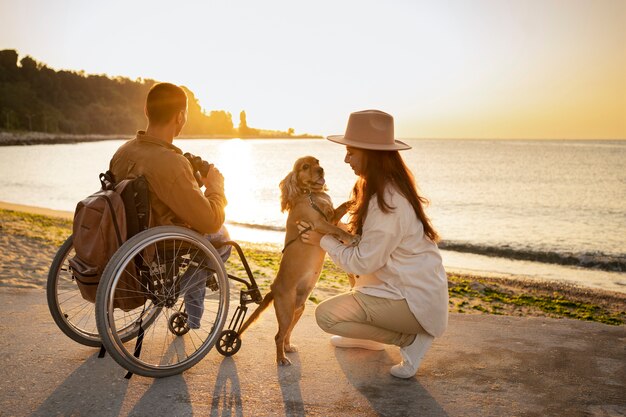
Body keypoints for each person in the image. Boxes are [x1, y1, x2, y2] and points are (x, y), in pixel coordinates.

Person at [298, 109, 448, 379]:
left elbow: (364, 261)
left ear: (371, 154)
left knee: (326, 317)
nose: (346, 159)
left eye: (351, 152)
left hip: (414, 302)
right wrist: (333, 229)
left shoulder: (388, 201)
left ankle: (411, 341)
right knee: (341, 311)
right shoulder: (378, 188)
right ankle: (371, 339)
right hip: (399, 290)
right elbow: (367, 243)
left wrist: (325, 240)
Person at [109, 82, 230, 328]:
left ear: (146, 110)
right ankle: (174, 294)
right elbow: (209, 220)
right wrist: (216, 188)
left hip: (126, 235)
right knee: (223, 239)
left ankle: (192, 318)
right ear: (180, 116)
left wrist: (192, 182)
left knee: (209, 236)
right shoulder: (171, 162)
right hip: (162, 242)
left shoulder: (123, 151)